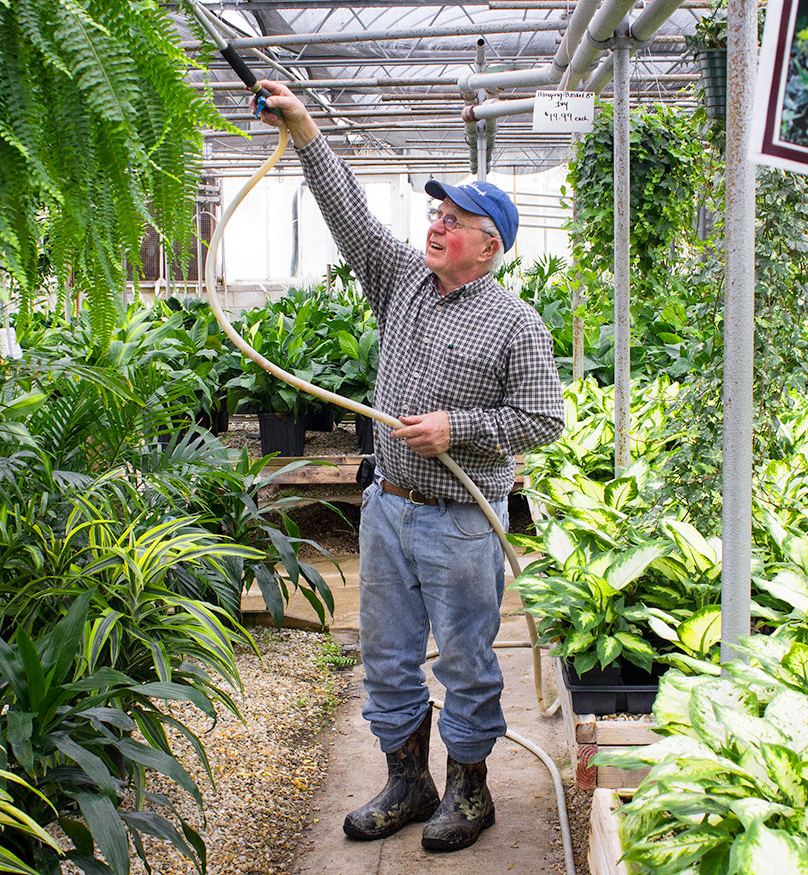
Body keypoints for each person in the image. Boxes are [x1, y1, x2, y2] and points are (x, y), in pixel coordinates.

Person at [253, 80, 564, 853]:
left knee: (465, 659)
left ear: (491, 244)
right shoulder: (401, 284)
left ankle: (468, 789)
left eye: (455, 220)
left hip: (462, 524)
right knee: (388, 656)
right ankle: (406, 779)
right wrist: (305, 128)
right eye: (436, 214)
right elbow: (351, 216)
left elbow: (544, 421)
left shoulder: (517, 325)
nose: (438, 226)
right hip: (388, 507)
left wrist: (458, 429)